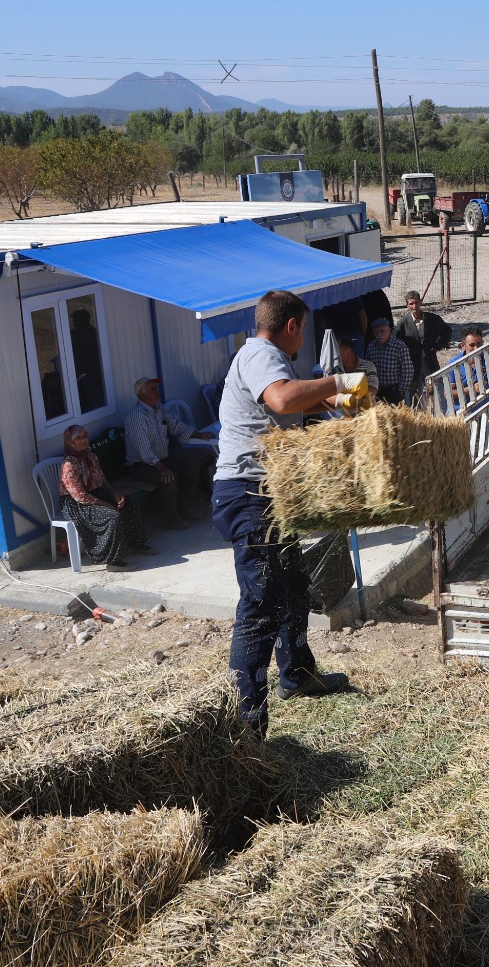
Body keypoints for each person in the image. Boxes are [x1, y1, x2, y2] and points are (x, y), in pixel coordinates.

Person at [213, 290, 358, 737]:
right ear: (292, 325)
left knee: (294, 587)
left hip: (270, 497)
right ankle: (247, 724)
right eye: (304, 329)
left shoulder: (269, 358)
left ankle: (297, 674)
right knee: (261, 604)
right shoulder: (260, 354)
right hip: (248, 495)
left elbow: (293, 406)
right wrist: (337, 383)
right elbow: (280, 400)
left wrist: (340, 404)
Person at [124, 376, 215, 530]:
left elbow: (176, 426)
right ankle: (169, 520)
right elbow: (144, 450)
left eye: (157, 388)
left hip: (162, 458)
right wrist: (161, 467)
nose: (157, 392)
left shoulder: (159, 408)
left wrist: (198, 435)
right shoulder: (136, 418)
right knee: (168, 479)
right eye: (153, 389)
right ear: (142, 395)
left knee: (192, 464)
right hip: (142, 465)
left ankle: (185, 507)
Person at [58, 424, 150, 571]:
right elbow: (79, 496)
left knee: (128, 505)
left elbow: (103, 482)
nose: (83, 440)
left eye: (85, 436)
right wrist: (105, 504)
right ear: (70, 441)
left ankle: (137, 543)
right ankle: (113, 562)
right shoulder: (68, 464)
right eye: (78, 438)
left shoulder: (91, 456)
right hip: (76, 504)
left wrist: (115, 494)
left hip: (95, 494)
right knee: (111, 516)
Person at [395, 290, 450, 390]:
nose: (414, 306)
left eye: (416, 302)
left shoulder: (433, 319)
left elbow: (447, 331)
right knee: (414, 393)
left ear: (420, 302)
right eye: (411, 303)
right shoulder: (403, 323)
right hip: (412, 365)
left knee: (435, 390)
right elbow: (398, 343)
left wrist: (438, 346)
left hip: (430, 361)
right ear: (407, 305)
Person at [445, 328, 489, 412]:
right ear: (463, 345)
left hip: (482, 410)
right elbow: (447, 393)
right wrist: (469, 390)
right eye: (472, 345)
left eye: (479, 343)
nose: (476, 348)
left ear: (483, 342)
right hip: (459, 413)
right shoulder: (454, 364)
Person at [365, 316, 413, 406]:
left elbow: (408, 371)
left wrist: (400, 390)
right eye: (376, 332)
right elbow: (368, 368)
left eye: (382, 331)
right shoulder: (371, 347)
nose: (379, 334)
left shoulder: (399, 346)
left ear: (389, 331)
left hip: (394, 389)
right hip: (377, 390)